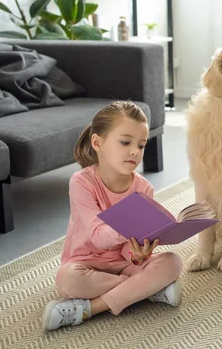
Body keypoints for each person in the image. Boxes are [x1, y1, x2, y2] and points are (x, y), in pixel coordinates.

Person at [42, 101, 183, 332]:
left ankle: (88, 309)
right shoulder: (82, 182)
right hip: (86, 262)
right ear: (97, 142)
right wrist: (129, 226)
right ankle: (147, 291)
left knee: (172, 262)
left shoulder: (143, 188)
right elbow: (98, 237)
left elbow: (127, 251)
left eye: (141, 145)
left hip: (123, 264)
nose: (135, 151)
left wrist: (138, 255)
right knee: (66, 280)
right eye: (125, 142)